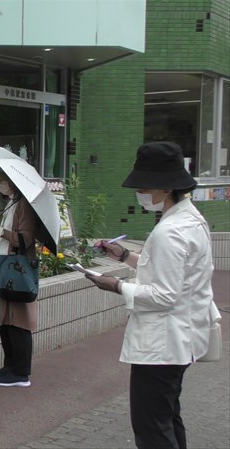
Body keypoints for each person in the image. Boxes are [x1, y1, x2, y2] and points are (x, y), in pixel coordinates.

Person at [85, 141, 214, 449]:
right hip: (183, 338)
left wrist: (115, 285)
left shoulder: (169, 232)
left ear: (162, 189)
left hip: (162, 345)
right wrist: (123, 256)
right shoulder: (191, 220)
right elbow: (167, 270)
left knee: (152, 427)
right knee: (167, 416)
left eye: (143, 187)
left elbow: (164, 294)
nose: (140, 194)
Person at [0, 167, 40, 388]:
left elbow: (24, 240)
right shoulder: (12, 204)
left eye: (2, 181)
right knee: (4, 320)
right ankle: (9, 366)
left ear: (12, 182)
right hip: (5, 266)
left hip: (16, 270)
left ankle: (21, 372)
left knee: (17, 322)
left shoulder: (24, 207)